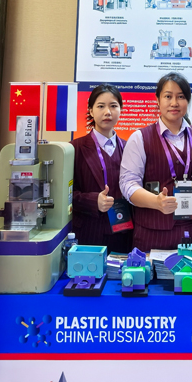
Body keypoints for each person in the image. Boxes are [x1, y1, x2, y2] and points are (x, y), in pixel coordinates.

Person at [119, 72, 192, 251]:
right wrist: (155, 201)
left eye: (181, 97)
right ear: (158, 100)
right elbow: (128, 184)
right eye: (168, 96)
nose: (174, 103)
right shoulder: (140, 138)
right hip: (153, 233)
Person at [70, 84, 132, 254]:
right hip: (88, 231)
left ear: (121, 110)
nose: (107, 112)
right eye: (101, 106)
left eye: (113, 106)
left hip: (123, 232)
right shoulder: (75, 148)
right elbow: (64, 194)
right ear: (91, 111)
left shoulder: (130, 148)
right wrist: (92, 201)